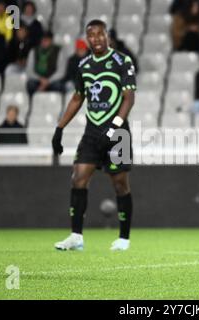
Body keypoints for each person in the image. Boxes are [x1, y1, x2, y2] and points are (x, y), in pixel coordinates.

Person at [52, 20, 136, 252]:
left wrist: (115, 127)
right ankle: (76, 236)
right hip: (92, 131)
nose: (96, 38)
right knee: (78, 178)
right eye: (91, 35)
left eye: (100, 34)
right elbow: (78, 98)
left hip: (118, 132)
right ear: (87, 39)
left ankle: (123, 238)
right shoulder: (84, 65)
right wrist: (59, 128)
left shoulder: (122, 61)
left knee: (120, 183)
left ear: (107, 36)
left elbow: (128, 98)